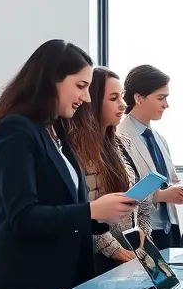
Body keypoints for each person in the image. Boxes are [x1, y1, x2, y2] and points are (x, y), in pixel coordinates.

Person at [0, 40, 137, 289]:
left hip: (63, 283)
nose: (86, 98)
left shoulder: (55, 131)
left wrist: (101, 214)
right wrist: (92, 210)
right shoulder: (16, 130)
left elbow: (61, 204)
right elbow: (23, 216)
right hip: (28, 288)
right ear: (52, 81)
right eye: (80, 86)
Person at [69, 66, 167, 273]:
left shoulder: (121, 143)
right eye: (114, 98)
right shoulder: (76, 148)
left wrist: (143, 234)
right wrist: (113, 250)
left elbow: (139, 200)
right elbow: (85, 209)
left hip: (131, 253)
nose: (123, 104)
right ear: (93, 101)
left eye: (121, 96)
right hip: (98, 259)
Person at [117, 64, 183, 250]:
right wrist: (159, 196)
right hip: (141, 231)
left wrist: (181, 190)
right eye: (161, 98)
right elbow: (120, 191)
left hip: (169, 229)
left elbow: (171, 179)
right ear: (138, 98)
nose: (166, 104)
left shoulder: (159, 139)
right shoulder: (118, 137)